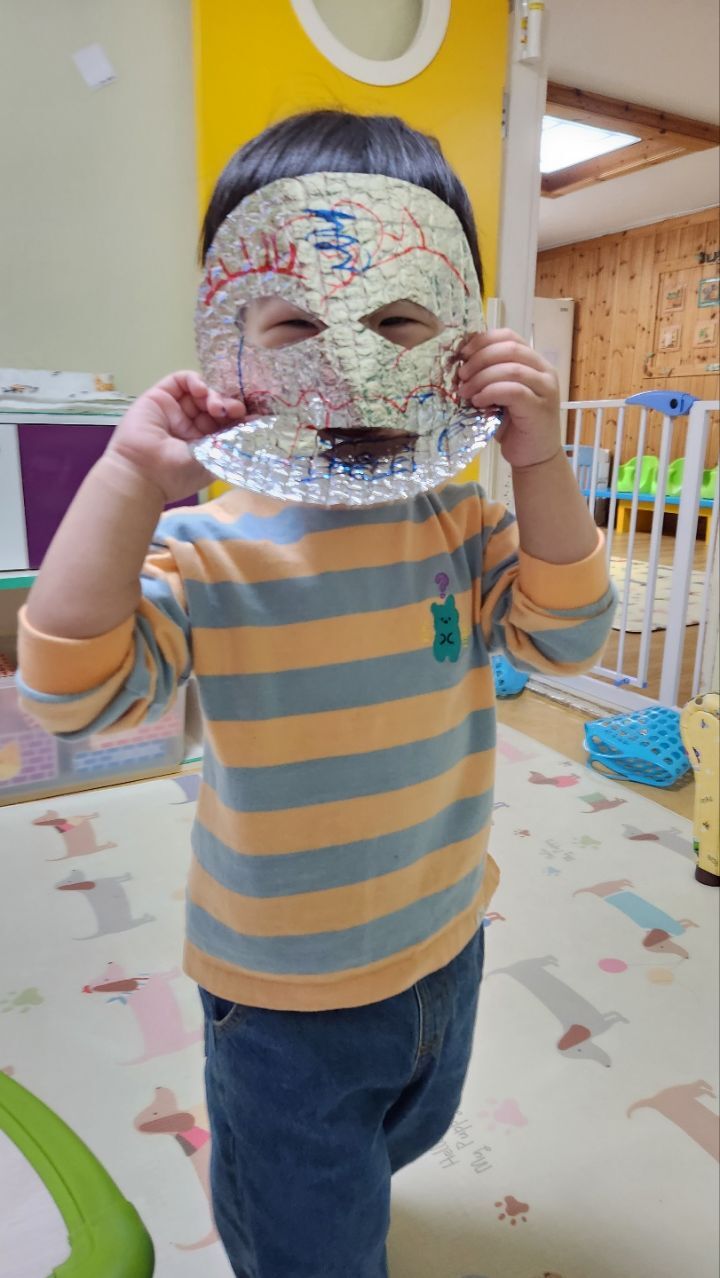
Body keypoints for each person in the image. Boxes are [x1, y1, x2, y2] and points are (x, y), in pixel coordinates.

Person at [18, 111, 615, 1278]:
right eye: (297, 322)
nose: (348, 362)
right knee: (308, 1237)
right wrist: (130, 478)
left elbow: (569, 639)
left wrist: (539, 459)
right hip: (283, 996)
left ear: (457, 333)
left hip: (445, 940)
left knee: (402, 1138)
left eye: (396, 319)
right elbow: (71, 698)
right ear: (230, 339)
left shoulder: (461, 523)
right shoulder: (208, 548)